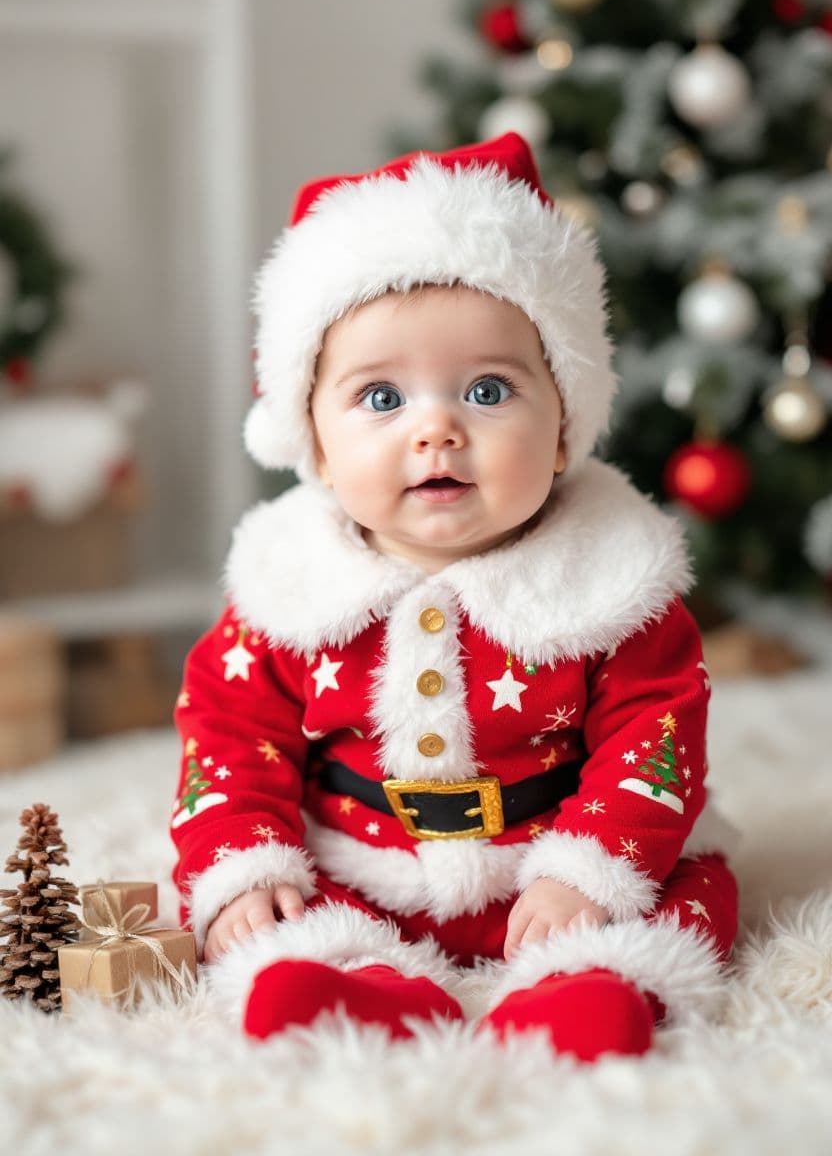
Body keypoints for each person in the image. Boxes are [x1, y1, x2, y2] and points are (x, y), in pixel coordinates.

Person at [170, 132, 738, 1061]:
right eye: (381, 399)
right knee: (270, 914)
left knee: (692, 890)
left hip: (555, 862)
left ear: (563, 427)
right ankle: (362, 984)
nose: (436, 429)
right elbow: (228, 732)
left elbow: (657, 733)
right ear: (311, 438)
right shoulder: (287, 591)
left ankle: (591, 988)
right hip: (367, 863)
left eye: (487, 389)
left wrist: (593, 875)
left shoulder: (614, 581)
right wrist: (240, 863)